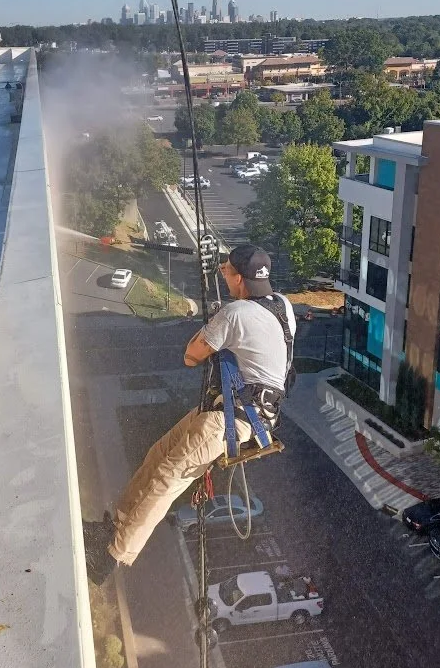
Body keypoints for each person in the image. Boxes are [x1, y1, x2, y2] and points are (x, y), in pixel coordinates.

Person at [83, 243, 296, 585]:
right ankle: (114, 525)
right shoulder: (282, 306)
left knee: (168, 477)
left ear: (239, 278)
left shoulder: (235, 314)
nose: (224, 276)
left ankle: (110, 557)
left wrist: (214, 323)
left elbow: (191, 356)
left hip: (231, 419)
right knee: (159, 454)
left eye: (227, 271)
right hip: (243, 413)